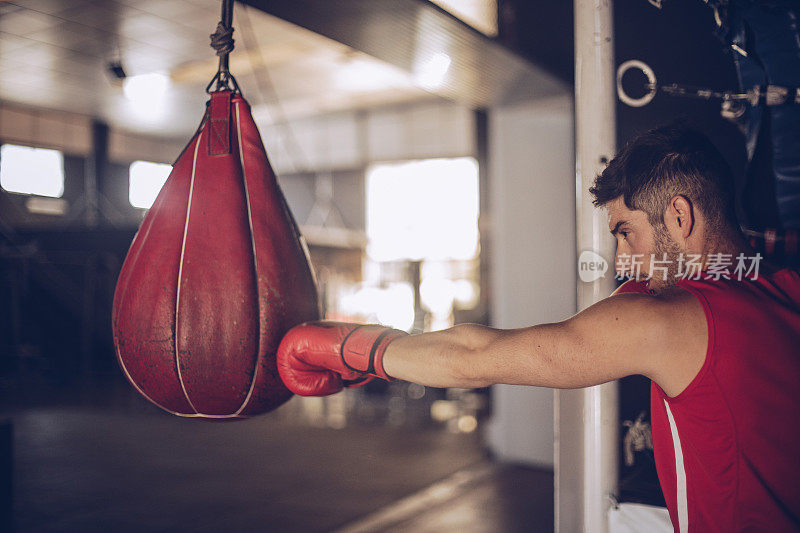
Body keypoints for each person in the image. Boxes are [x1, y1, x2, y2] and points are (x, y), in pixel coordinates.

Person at [277, 124, 800, 532]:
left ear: (680, 217)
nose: (620, 258)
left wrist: (350, 347)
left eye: (626, 232)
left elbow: (473, 358)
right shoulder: (782, 287)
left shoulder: (669, 322)